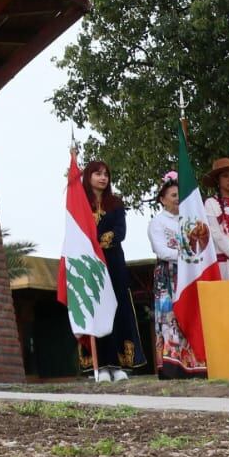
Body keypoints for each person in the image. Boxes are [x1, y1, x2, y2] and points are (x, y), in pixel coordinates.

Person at [77, 159, 147, 381]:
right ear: (88, 177)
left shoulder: (115, 203)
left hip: (114, 263)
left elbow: (120, 231)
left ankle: (118, 366)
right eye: (97, 173)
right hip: (90, 265)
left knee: (118, 309)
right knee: (96, 309)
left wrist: (99, 241)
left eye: (106, 173)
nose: (103, 177)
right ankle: (99, 366)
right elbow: (77, 232)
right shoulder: (80, 204)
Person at [147, 171, 206, 378]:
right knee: (170, 319)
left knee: (190, 315)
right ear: (162, 199)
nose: (177, 198)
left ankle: (195, 363)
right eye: (173, 195)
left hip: (189, 275)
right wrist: (187, 255)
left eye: (179, 194)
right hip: (169, 277)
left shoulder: (190, 220)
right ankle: (172, 366)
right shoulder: (158, 222)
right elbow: (162, 251)